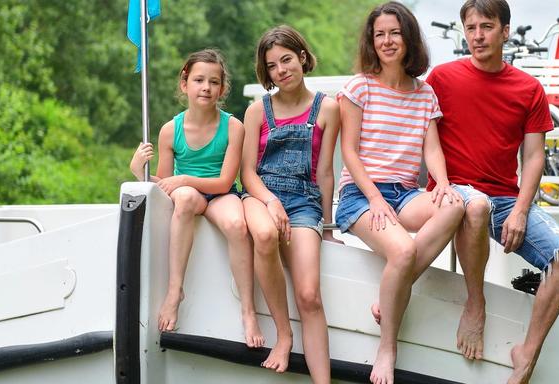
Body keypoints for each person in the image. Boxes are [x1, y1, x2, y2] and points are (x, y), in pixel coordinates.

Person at [425, 1, 559, 383]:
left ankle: (526, 354)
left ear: (505, 31)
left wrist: (521, 211)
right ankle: (475, 304)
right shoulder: (441, 79)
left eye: (487, 26)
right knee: (475, 207)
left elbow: (532, 158)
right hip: (455, 193)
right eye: (472, 27)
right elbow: (422, 139)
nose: (478, 36)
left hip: (505, 198)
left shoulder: (528, 89)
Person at [335, 2, 465, 383]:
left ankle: (392, 291)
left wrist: (441, 183)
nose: (387, 41)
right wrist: (374, 197)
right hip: (361, 194)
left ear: (408, 37)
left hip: (405, 193)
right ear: (371, 42)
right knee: (403, 250)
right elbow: (349, 150)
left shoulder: (425, 95)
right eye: (380, 35)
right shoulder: (360, 86)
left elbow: (432, 150)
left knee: (455, 204)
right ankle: (387, 347)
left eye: (394, 33)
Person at [129, 49, 264, 349]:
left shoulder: (233, 127)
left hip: (220, 194)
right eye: (199, 80)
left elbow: (226, 181)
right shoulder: (169, 131)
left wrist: (185, 178)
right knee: (186, 198)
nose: (206, 87)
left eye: (214, 82)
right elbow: (166, 185)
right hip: (188, 195)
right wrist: (139, 172)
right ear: (184, 84)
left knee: (236, 224)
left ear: (222, 88)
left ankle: (248, 310)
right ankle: (175, 291)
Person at [240, 26, 341, 382]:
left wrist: (327, 229)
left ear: (302, 57)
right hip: (260, 194)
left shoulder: (327, 108)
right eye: (272, 65)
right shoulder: (257, 111)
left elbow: (325, 173)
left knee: (310, 294)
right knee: (265, 235)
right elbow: (247, 173)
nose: (281, 70)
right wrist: (269, 201)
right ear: (265, 72)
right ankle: (284, 335)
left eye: (286, 59)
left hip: (304, 204)